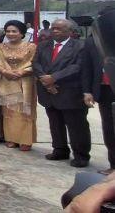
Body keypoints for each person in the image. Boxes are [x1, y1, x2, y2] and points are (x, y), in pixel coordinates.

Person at [33, 18, 92, 168]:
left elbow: (77, 67)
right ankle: (60, 149)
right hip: (48, 92)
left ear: (70, 32)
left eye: (59, 29)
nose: (54, 31)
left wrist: (54, 78)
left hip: (70, 92)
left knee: (76, 126)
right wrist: (46, 81)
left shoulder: (80, 46)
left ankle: (81, 155)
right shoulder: (43, 46)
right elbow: (36, 64)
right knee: (55, 123)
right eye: (53, 28)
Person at [0, 20, 37, 152]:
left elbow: (33, 62)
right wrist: (6, 72)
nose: (11, 34)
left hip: (25, 82)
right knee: (9, 111)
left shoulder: (31, 47)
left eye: (14, 31)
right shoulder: (1, 47)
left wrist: (21, 72)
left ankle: (25, 140)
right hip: (7, 81)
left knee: (25, 111)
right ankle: (11, 138)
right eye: (8, 31)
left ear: (22, 33)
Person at [83, 31, 115, 174]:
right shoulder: (93, 42)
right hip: (105, 90)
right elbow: (87, 68)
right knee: (109, 129)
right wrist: (87, 91)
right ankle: (113, 165)